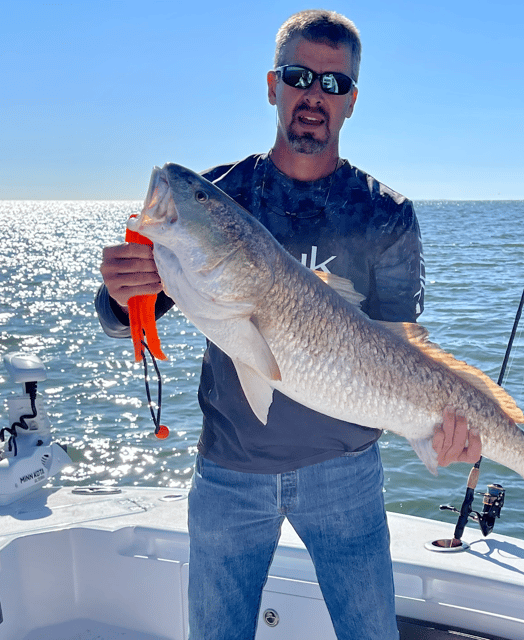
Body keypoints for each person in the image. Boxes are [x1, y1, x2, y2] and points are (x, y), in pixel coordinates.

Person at [97, 9, 481, 640]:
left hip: (348, 474)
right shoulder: (220, 199)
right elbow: (128, 316)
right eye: (299, 76)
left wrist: (447, 429)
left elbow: (402, 349)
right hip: (229, 472)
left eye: (333, 83)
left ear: (352, 100)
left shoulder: (386, 214)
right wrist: (119, 294)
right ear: (272, 84)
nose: (314, 95)